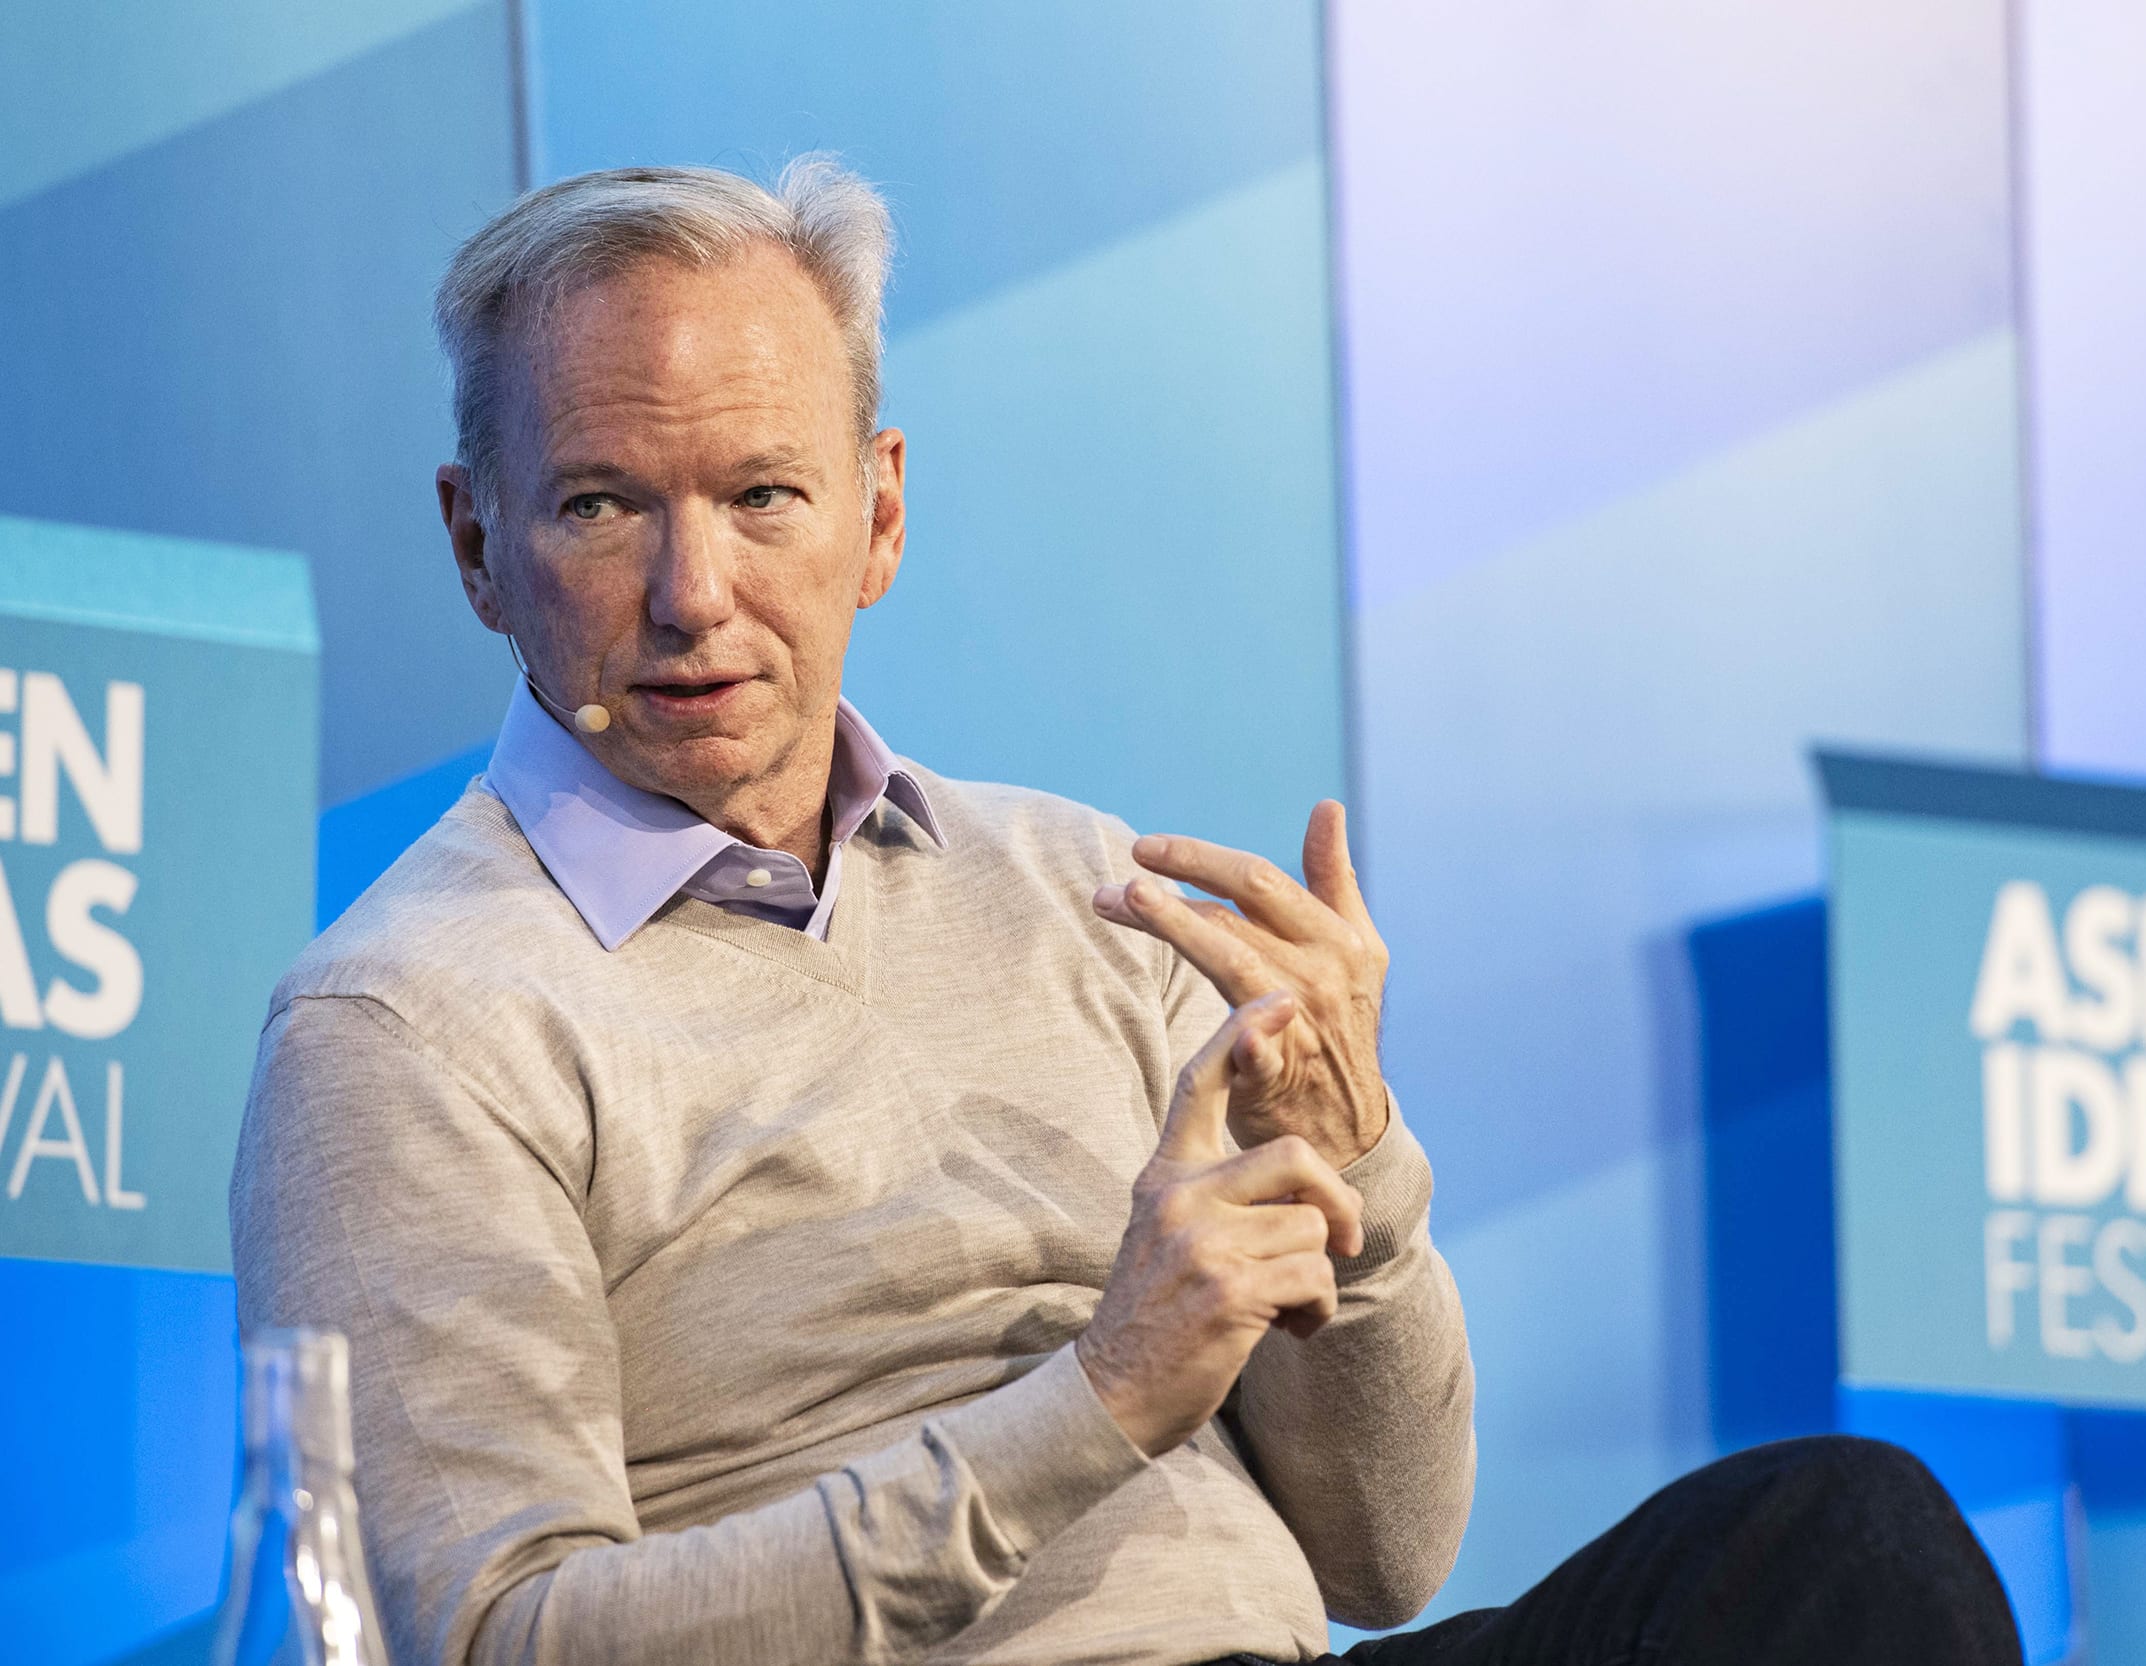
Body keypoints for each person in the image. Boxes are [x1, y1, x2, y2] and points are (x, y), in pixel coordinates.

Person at [229, 158, 2022, 1666]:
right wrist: (1099, 1397)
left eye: (764, 497)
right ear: (478, 544)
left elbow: (1383, 1556)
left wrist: (1362, 1179)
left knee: (1840, 1544)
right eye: (606, 505)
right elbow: (496, 1637)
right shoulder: (408, 1022)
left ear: (879, 514)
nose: (697, 594)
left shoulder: (1082, 889)